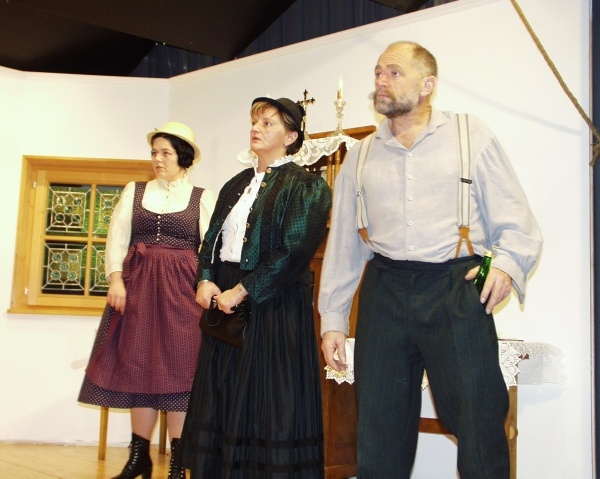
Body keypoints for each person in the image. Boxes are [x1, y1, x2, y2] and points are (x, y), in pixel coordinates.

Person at [318, 41, 543, 479]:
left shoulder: (470, 135)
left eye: (394, 72)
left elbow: (516, 219)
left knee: (478, 419)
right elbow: (345, 243)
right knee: (379, 426)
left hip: (456, 287)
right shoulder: (360, 154)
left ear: (427, 85)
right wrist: (333, 319)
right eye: (378, 72)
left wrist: (506, 265)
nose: (381, 81)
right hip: (385, 289)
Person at [178, 97, 332, 478]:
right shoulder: (235, 185)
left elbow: (293, 252)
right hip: (225, 301)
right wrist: (205, 277)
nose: (256, 128)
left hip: (273, 304)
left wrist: (243, 290)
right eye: (255, 121)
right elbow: (210, 239)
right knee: (223, 395)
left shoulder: (307, 187)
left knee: (267, 400)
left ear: (291, 136)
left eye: (268, 123)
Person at [78, 121, 216, 479]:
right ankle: (139, 456)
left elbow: (210, 249)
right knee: (137, 366)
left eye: (166, 153)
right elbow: (116, 238)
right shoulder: (135, 191)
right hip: (137, 290)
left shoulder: (202, 198)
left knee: (180, 373)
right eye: (154, 152)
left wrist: (205, 284)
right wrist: (115, 279)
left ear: (183, 157)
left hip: (183, 295)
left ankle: (178, 464)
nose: (157, 159)